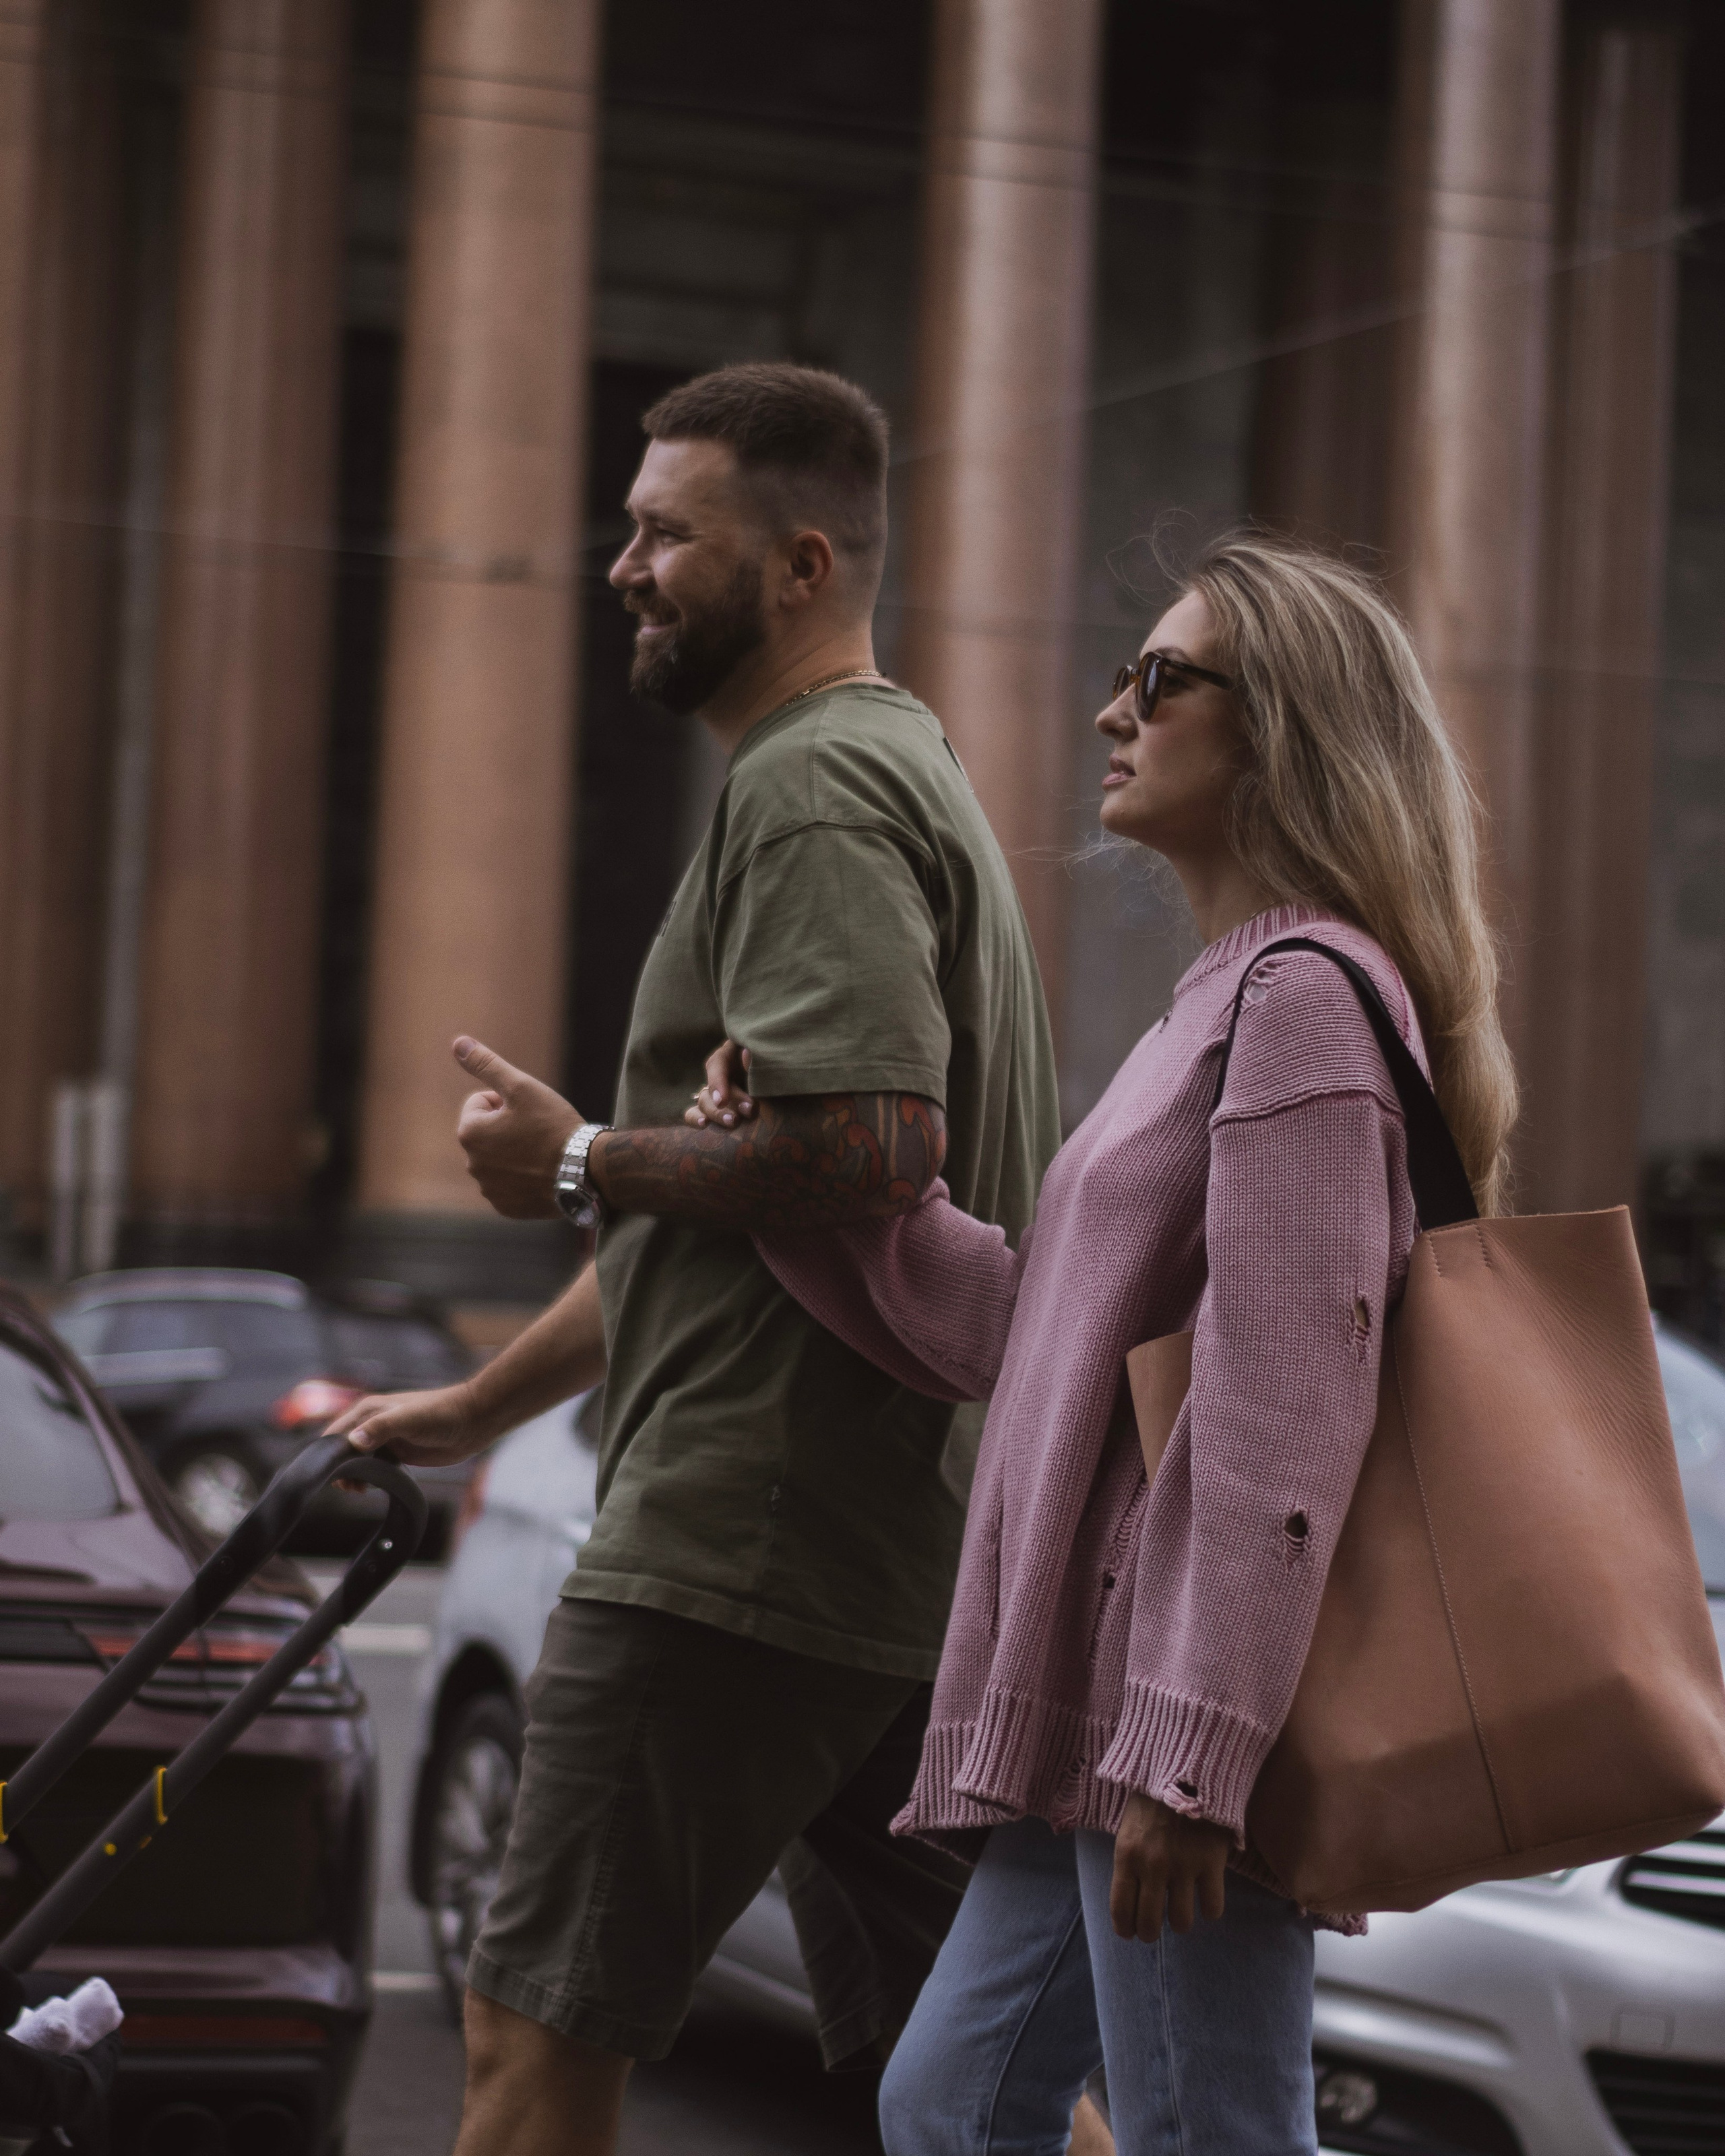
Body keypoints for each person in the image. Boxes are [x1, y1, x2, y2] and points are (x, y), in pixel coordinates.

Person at [693, 532, 1518, 2153]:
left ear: (1278, 730)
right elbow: (1044, 1334)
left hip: (1171, 1712)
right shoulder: (1217, 1002)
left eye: (1158, 678)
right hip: (1106, 1708)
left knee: (1206, 2133)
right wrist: (808, 1187)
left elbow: (1284, 1407)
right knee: (951, 2104)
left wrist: (1192, 1756)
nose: (1108, 713)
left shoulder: (1301, 1003)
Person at [333, 362, 1067, 2156]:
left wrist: (578, 1156)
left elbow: (868, 1148)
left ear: (800, 565)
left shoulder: (812, 790)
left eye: (667, 533)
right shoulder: (894, 766)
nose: (624, 567)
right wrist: (476, 1406)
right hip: (879, 1549)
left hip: (740, 1548)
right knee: (973, 2085)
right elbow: (755, 1225)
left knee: (528, 2028)